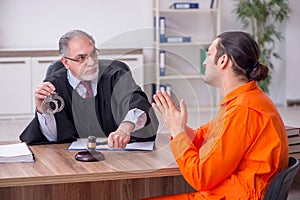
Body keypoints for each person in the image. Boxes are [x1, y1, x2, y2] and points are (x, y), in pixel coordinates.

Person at [149, 31, 289, 199]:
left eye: (209, 54)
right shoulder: (247, 100)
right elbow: (204, 138)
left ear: (223, 61)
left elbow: (201, 176)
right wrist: (177, 125)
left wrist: (177, 133)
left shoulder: (243, 111)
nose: (204, 62)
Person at [20, 29, 158, 148]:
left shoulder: (115, 75)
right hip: (71, 161)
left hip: (118, 154)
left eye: (93, 54)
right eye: (81, 57)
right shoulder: (54, 85)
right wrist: (44, 112)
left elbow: (137, 102)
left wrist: (126, 127)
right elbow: (53, 138)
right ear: (66, 62)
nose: (91, 62)